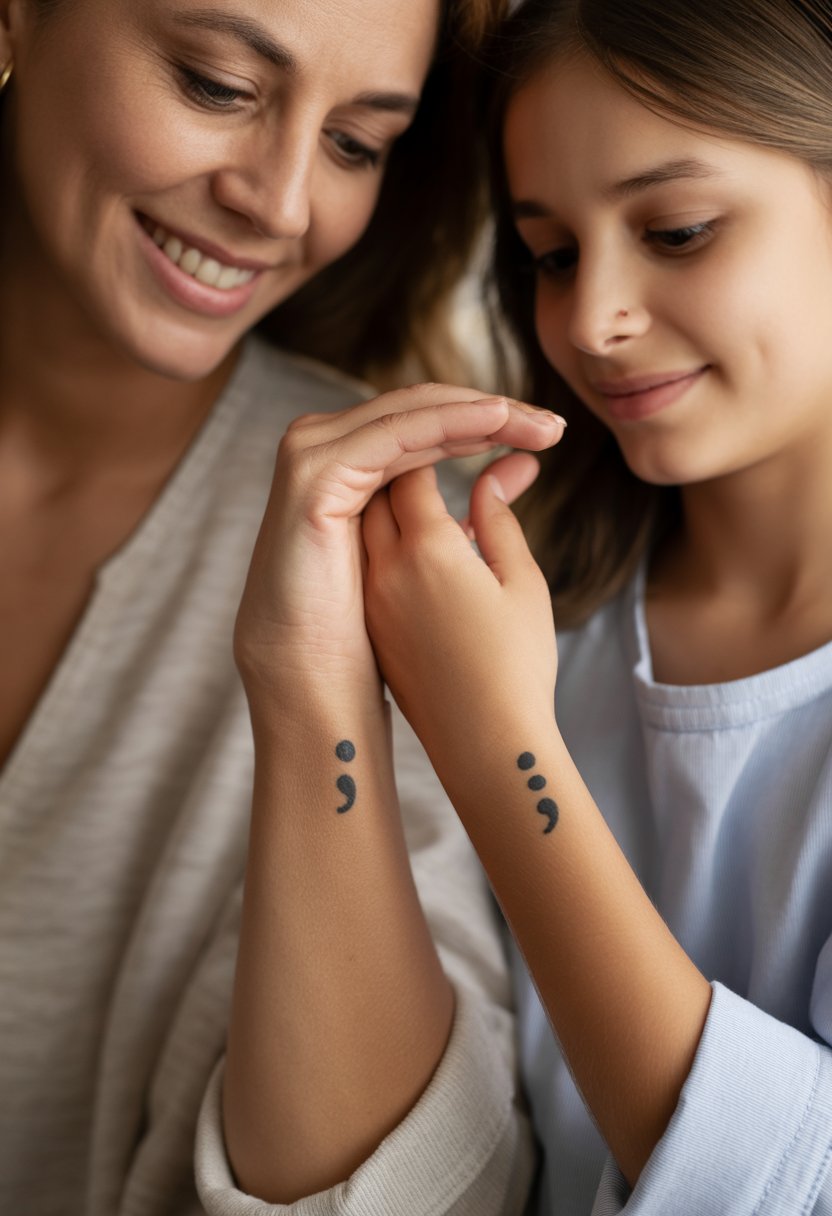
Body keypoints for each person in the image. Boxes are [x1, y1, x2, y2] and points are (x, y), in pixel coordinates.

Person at [0, 0, 567, 1210]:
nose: (285, 203)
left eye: (356, 144)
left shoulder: (407, 539)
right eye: (215, 84)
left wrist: (313, 691)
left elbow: (434, 1194)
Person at [359, 0, 832, 1211]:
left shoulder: (483, 669)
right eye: (551, 254)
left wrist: (495, 743)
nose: (589, 320)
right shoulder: (505, 600)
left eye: (675, 230)